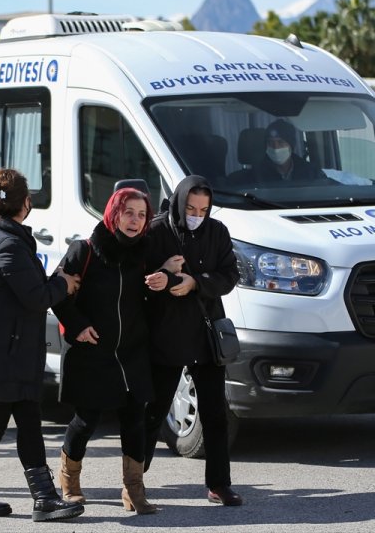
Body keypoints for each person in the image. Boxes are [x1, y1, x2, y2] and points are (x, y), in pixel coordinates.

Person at [0, 168, 84, 521]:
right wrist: (64, 283)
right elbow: (36, 296)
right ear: (25, 202)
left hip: (3, 352)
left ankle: (38, 498)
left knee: (23, 422)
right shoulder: (7, 242)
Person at [53, 187, 158, 515]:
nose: (135, 221)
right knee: (86, 421)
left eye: (142, 215)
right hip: (94, 353)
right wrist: (78, 325)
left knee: (135, 420)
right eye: (129, 213)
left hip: (133, 353)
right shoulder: (84, 251)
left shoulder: (145, 255)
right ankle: (69, 481)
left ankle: (134, 491)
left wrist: (166, 274)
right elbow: (57, 293)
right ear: (113, 213)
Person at [143, 175, 243, 506]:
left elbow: (229, 275)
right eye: (190, 208)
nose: (197, 215)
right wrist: (164, 272)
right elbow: (137, 277)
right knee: (153, 412)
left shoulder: (217, 232)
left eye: (203, 209)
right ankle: (133, 480)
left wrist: (195, 283)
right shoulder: (158, 231)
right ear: (179, 203)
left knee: (215, 413)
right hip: (167, 334)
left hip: (205, 333)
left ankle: (218, 484)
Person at [251, 119, 326, 183]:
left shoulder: (311, 172)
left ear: (291, 145)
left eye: (280, 142)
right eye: (270, 142)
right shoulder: (255, 175)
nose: (275, 147)